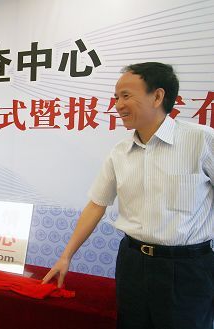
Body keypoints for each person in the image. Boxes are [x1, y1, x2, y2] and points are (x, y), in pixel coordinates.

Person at [42, 62, 213, 329]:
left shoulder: (201, 141)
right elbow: (96, 205)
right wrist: (66, 256)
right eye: (116, 98)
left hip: (187, 268)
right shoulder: (119, 152)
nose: (118, 105)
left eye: (126, 96)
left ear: (157, 96)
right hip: (133, 263)